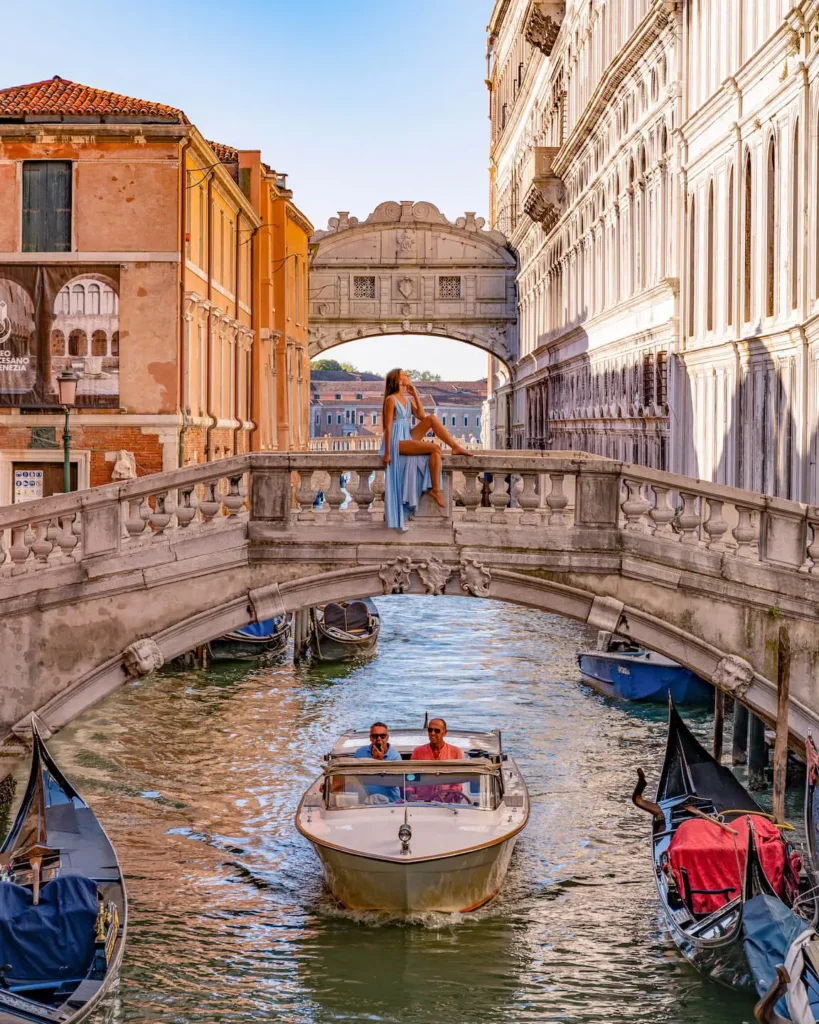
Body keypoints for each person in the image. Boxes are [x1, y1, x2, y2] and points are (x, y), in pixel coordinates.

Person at [380, 369, 473, 531]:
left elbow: (422, 416)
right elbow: (387, 427)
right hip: (396, 441)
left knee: (432, 419)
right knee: (435, 448)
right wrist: (388, 452)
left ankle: (455, 446)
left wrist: (415, 394)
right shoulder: (391, 400)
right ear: (398, 380)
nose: (408, 376)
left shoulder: (406, 400)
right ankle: (436, 490)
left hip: (406, 435)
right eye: (405, 375)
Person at [354, 722, 402, 802]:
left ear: (387, 738)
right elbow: (353, 778)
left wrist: (379, 762)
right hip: (364, 803)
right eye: (375, 736)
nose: (379, 739)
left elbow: (396, 782)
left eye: (382, 736)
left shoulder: (395, 756)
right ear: (370, 738)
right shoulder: (360, 753)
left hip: (389, 803)